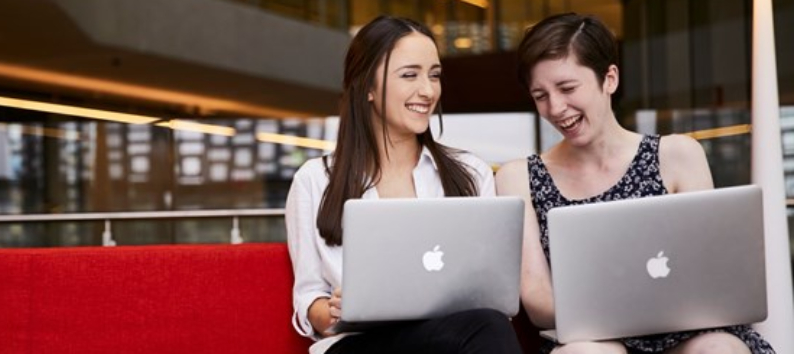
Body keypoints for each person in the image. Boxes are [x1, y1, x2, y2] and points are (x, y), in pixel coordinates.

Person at [495, 12, 774, 354]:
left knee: (718, 348)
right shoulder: (518, 176)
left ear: (609, 78)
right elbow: (539, 303)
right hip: (592, 340)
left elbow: (709, 279)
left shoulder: (678, 155)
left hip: (686, 334)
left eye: (567, 88)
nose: (555, 107)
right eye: (540, 95)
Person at [285, 15, 523, 354]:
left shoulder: (471, 173)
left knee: (489, 325)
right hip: (359, 345)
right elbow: (310, 297)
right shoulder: (314, 179)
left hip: (450, 339)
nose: (428, 91)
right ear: (367, 86)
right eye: (409, 75)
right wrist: (331, 313)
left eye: (435, 75)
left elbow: (491, 293)